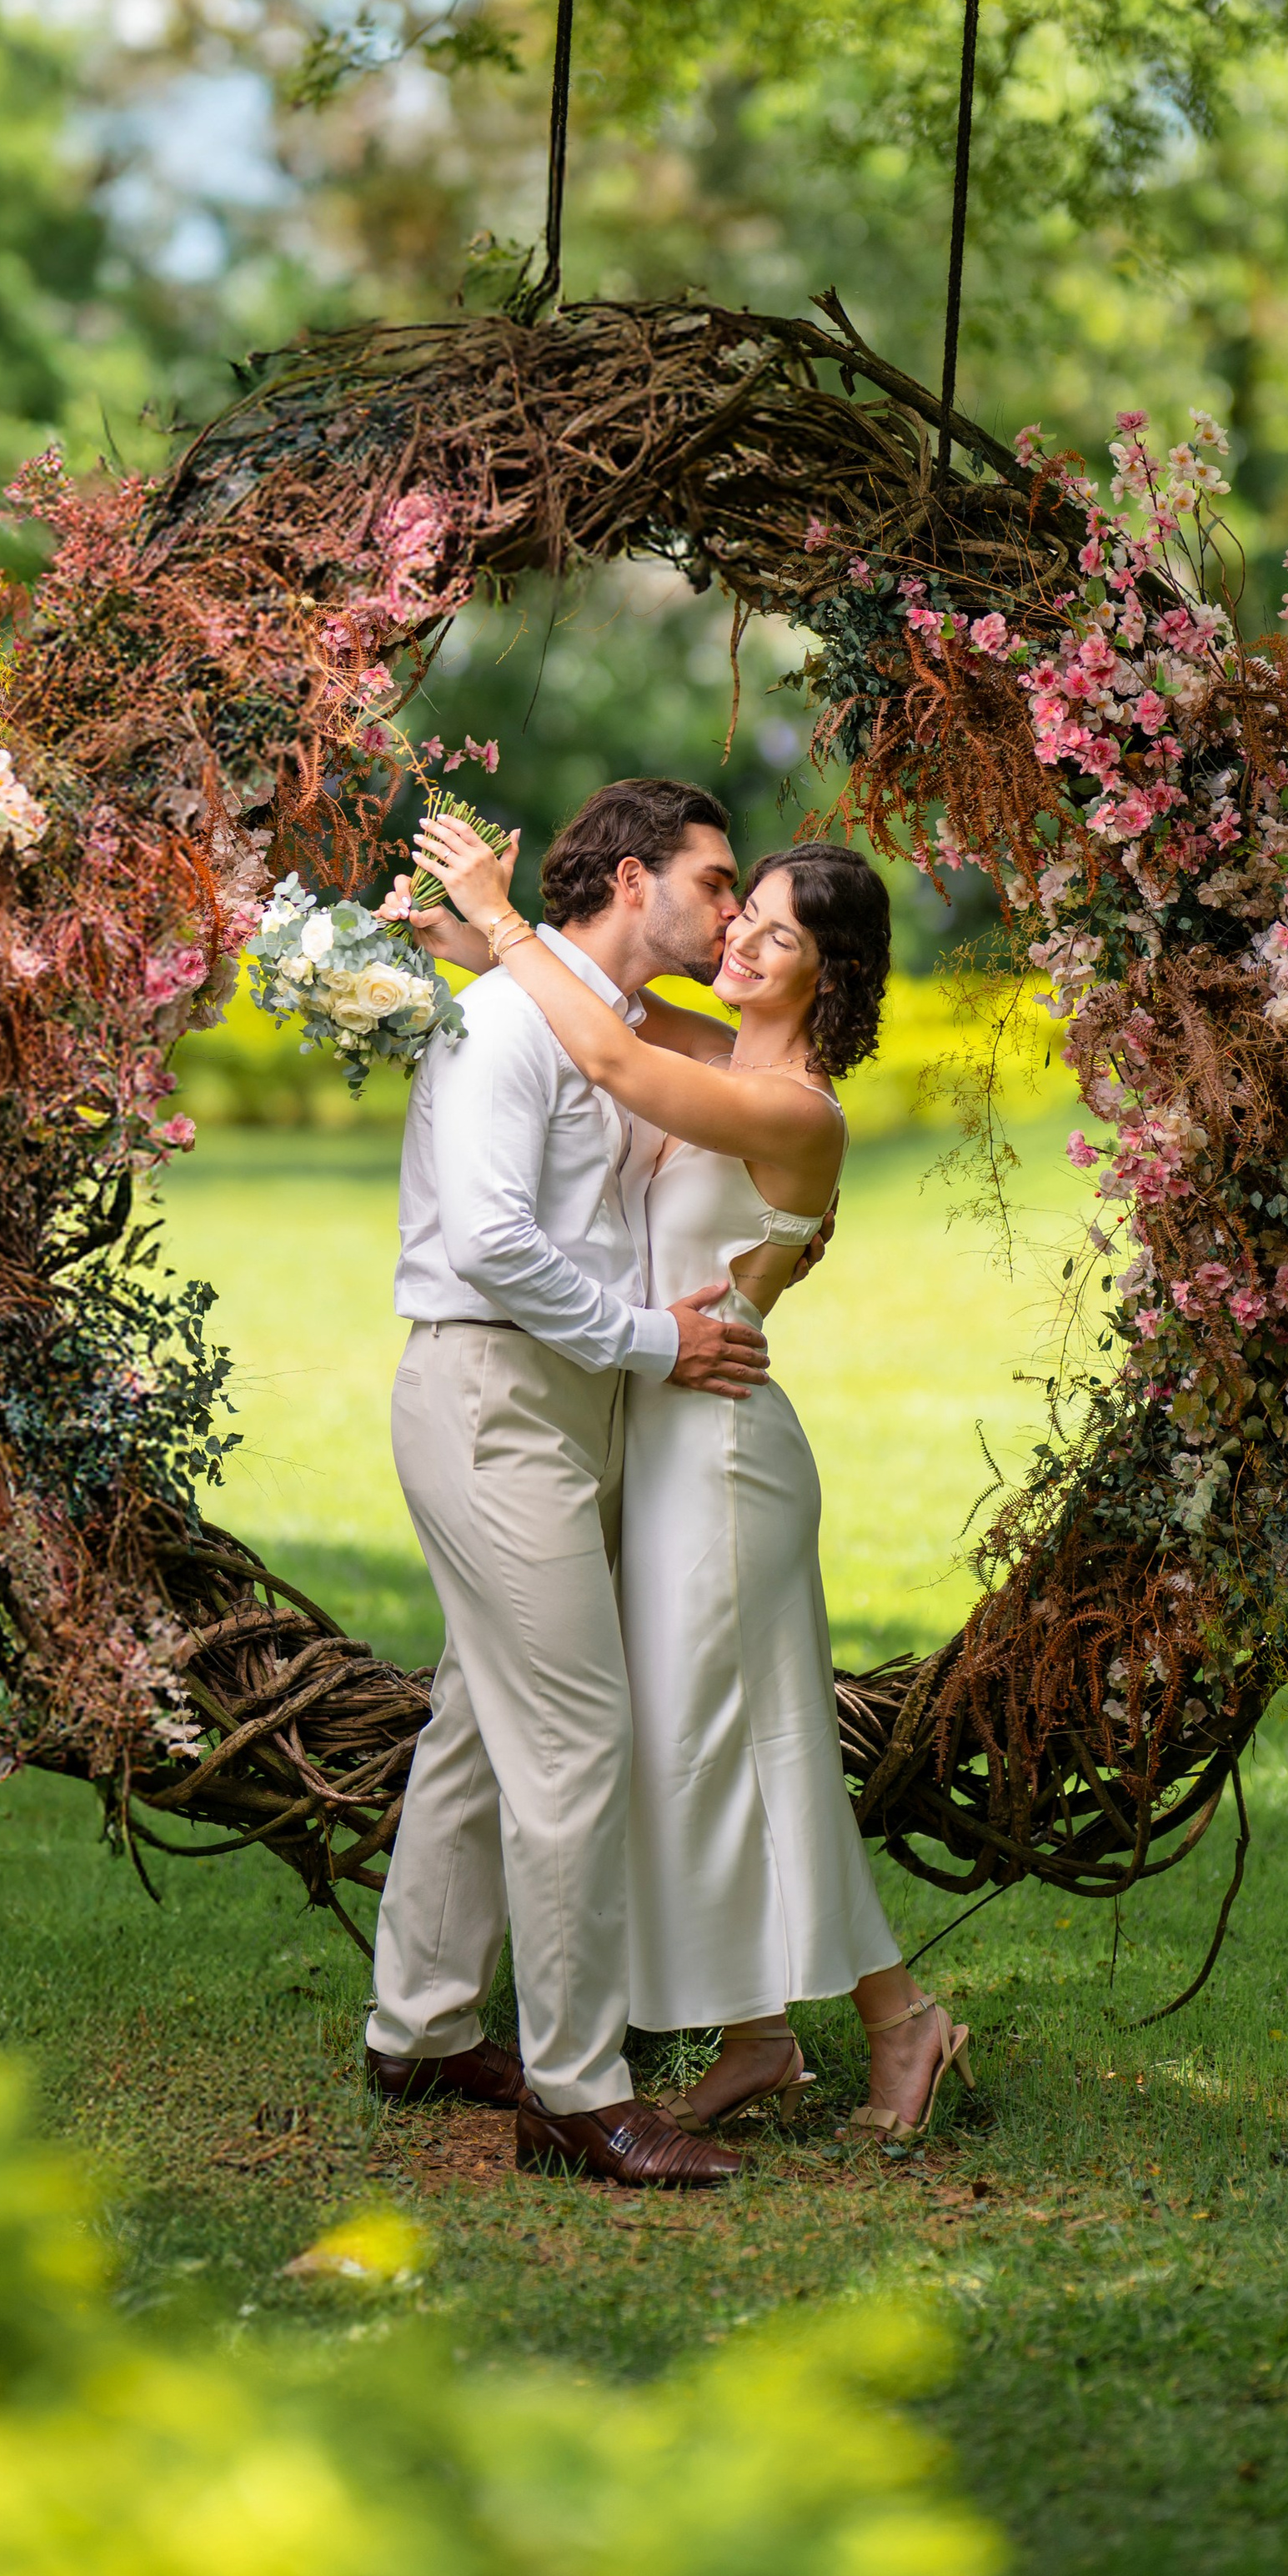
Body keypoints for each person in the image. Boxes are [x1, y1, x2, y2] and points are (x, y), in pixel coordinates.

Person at [414, 809, 975, 2143]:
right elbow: (588, 1008)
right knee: (690, 1744)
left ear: (823, 979)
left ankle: (902, 2026)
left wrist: (496, 913)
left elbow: (603, 1046)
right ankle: (758, 2039)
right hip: (657, 1426)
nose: (737, 934)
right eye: (741, 909)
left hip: (720, 1453)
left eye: (771, 931)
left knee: (746, 1746)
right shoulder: (718, 1051)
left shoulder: (788, 1107)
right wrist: (470, 951)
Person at [365, 779, 784, 2190]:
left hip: (567, 1400)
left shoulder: (576, 1017)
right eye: (715, 881)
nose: (731, 910)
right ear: (626, 880)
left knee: (486, 1721)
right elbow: (486, 1243)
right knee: (578, 1737)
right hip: (496, 1396)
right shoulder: (501, 1028)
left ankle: (419, 2030)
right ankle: (577, 2091)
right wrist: (651, 1341)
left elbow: (720, 1077)